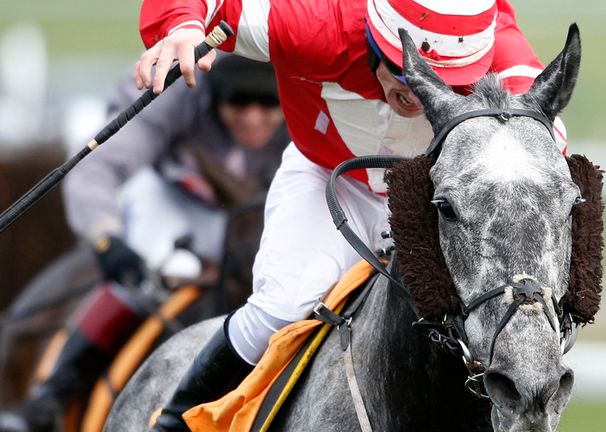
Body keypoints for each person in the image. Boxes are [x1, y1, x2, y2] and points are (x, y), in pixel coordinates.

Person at [133, 0, 569, 430]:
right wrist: (182, 26)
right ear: (377, 38)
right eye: (407, 73)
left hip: (433, 202)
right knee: (283, 304)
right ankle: (172, 420)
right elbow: (213, 7)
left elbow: (540, 140)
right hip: (330, 180)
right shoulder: (319, 24)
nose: (418, 95)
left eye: (446, 83)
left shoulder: (498, 44)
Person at [0, 56, 289, 432]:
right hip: (177, 201)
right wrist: (107, 238)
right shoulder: (175, 87)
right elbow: (96, 171)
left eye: (268, 103)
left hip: (265, 210)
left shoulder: (314, 97)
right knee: (154, 273)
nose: (252, 117)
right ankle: (53, 396)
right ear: (213, 90)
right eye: (237, 101)